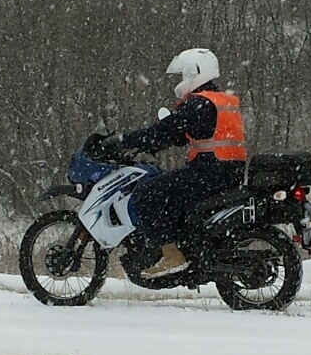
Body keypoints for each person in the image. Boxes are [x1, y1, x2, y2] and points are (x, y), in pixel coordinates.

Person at [99, 48, 248, 278]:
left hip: (209, 172)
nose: (182, 81)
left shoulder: (199, 103)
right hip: (228, 172)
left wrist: (124, 141)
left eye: (184, 75)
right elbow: (181, 134)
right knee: (172, 195)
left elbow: (165, 130)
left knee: (148, 193)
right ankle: (186, 247)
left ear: (194, 72)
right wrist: (156, 141)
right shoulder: (222, 100)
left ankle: (172, 255)